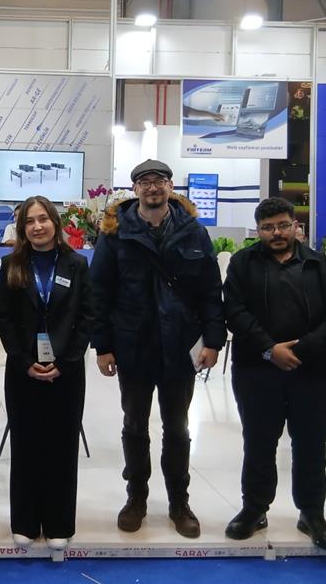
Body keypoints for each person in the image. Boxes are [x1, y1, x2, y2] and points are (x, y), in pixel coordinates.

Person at [89, 159, 225, 539]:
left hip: (180, 345)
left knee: (178, 428)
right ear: (135, 190)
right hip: (133, 344)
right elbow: (99, 293)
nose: (152, 187)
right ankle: (136, 498)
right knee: (134, 426)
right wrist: (103, 346)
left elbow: (210, 291)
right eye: (145, 182)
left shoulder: (193, 232)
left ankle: (180, 503)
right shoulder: (115, 234)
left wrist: (214, 340)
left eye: (159, 181)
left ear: (170, 187)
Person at [223, 197, 326, 551]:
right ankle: (254, 510)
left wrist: (301, 350)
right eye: (268, 228)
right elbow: (234, 311)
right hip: (256, 371)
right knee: (258, 442)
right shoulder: (242, 264)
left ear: (296, 226)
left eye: (282, 225)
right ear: (258, 231)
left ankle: (312, 514)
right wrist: (270, 349)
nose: (276, 233)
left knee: (310, 444)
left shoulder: (321, 266)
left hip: (313, 372)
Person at [0, 195, 92, 550]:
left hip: (67, 371)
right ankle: (24, 520)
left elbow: (87, 316)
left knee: (62, 446)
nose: (37, 227)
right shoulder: (12, 265)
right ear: (22, 229)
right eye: (29, 221)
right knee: (26, 444)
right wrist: (24, 361)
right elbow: (4, 319)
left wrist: (65, 361)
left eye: (43, 219)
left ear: (55, 222)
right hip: (23, 371)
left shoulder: (76, 264)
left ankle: (59, 523)